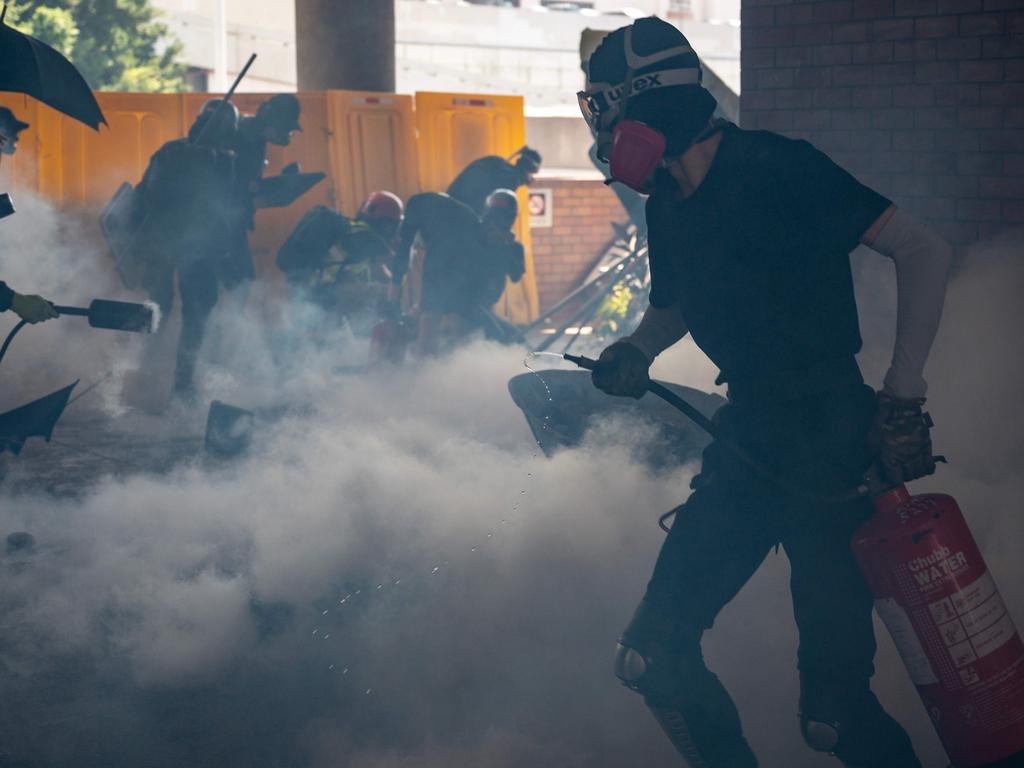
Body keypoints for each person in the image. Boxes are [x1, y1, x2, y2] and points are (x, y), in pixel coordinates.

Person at [581, 17, 952, 768]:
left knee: (834, 718)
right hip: (747, 436)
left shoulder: (782, 168)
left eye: (602, 105)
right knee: (649, 658)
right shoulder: (668, 202)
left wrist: (902, 395)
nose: (602, 126)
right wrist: (637, 348)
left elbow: (922, 248)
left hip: (833, 443)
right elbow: (678, 303)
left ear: (640, 103)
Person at [134, 99, 239, 399]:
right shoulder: (178, 153)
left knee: (192, 313)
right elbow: (148, 195)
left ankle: (179, 381)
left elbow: (226, 209)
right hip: (171, 243)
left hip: (192, 247)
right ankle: (147, 373)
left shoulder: (216, 159)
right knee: (160, 310)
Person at [392, 191, 525, 354]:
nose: (496, 223)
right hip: (462, 289)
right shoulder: (471, 232)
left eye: (502, 218)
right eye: (493, 217)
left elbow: (515, 274)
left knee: (483, 334)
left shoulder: (512, 246)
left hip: (477, 296)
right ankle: (429, 365)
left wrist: (504, 248)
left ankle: (457, 363)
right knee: (438, 320)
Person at [277, 191, 403, 331]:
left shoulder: (354, 230)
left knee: (377, 291)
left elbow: (382, 274)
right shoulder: (367, 236)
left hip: (313, 294)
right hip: (325, 293)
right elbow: (399, 268)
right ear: (387, 224)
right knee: (381, 291)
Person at [226, 94, 303, 288]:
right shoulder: (243, 138)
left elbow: (247, 184)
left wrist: (281, 182)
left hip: (231, 221)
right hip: (220, 222)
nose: (287, 136)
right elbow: (233, 185)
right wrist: (276, 185)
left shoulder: (254, 139)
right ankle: (223, 318)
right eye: (286, 128)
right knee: (241, 280)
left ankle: (226, 318)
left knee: (241, 280)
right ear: (273, 122)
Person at [446, 146, 541, 216]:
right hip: (463, 214)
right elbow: (497, 214)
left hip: (451, 206)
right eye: (531, 174)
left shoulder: (496, 161)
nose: (531, 178)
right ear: (528, 169)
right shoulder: (512, 180)